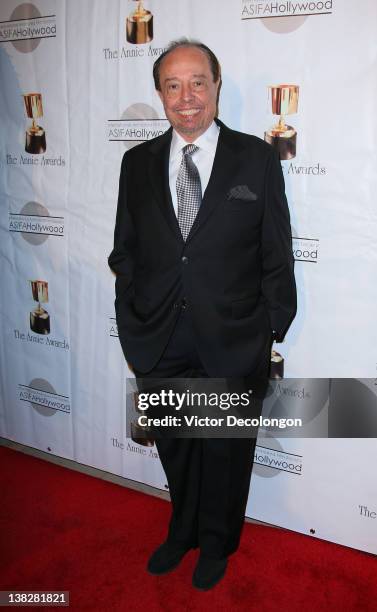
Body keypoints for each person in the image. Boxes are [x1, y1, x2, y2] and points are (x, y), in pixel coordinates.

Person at [108, 38, 297, 590]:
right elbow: (125, 248)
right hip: (159, 333)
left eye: (197, 83)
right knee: (176, 443)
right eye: (173, 85)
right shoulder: (136, 164)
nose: (186, 97)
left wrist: (271, 326)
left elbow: (275, 248)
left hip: (232, 335)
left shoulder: (256, 159)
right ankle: (183, 529)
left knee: (224, 448)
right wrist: (133, 311)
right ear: (160, 94)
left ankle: (217, 541)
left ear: (216, 87)